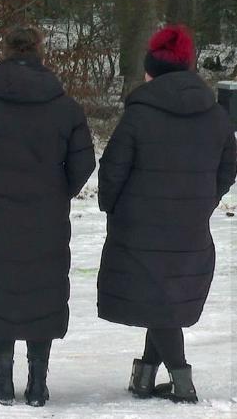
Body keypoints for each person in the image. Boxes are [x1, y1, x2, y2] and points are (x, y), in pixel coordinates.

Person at [0, 26, 96, 407]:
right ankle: (37, 385)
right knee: (41, 294)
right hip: (46, 217)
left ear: (5, 53)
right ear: (40, 54)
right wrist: (59, 190)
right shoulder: (66, 108)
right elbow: (83, 163)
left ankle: (2, 384)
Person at [97, 24, 237, 404]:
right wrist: (205, 201)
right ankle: (144, 377)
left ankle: (182, 381)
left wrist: (113, 207)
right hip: (191, 226)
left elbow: (112, 171)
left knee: (157, 297)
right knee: (163, 297)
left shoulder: (139, 115)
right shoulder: (215, 115)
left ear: (152, 70)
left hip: (139, 227)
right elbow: (229, 167)